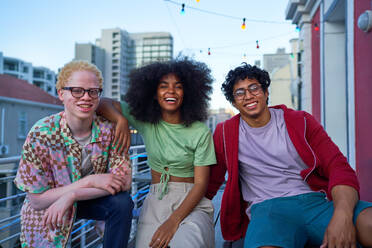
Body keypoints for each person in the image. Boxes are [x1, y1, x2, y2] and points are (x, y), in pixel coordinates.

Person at [205, 63, 372, 248]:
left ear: (266, 92)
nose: (248, 96)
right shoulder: (225, 133)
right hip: (268, 210)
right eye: (240, 92)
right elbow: (210, 181)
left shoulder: (300, 121)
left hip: (315, 202)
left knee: (369, 223)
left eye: (254, 88)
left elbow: (339, 167)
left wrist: (343, 215)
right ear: (234, 102)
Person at [97, 58, 216, 248]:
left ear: (187, 93)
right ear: (153, 93)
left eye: (178, 86)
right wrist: (120, 119)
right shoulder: (146, 121)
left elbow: (201, 184)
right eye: (163, 86)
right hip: (156, 199)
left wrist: (173, 221)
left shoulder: (200, 132)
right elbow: (101, 102)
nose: (171, 91)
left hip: (190, 200)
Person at [14, 60, 134, 248]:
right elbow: (37, 201)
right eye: (77, 90)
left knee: (122, 203)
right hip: (49, 205)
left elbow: (124, 181)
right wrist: (89, 181)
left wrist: (73, 195)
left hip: (88, 198)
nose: (86, 97)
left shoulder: (109, 130)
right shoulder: (41, 134)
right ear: (61, 93)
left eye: (93, 91)